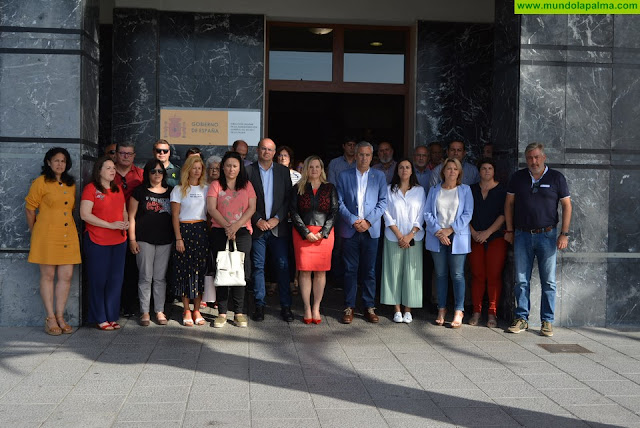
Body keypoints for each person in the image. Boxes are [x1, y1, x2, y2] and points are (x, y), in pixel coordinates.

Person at [505, 143, 572, 337]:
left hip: (548, 235)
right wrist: (509, 229)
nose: (533, 161)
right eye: (529, 158)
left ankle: (547, 321)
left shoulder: (556, 178)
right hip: (522, 234)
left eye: (536, 157)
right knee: (521, 280)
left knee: (549, 281)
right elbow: (509, 204)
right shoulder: (518, 177)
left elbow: (567, 206)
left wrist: (564, 234)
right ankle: (521, 318)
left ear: (544, 157)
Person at [25, 148, 81, 335]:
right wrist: (35, 231)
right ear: (48, 162)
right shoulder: (40, 182)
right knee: (48, 276)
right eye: (56, 160)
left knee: (65, 276)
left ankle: (60, 316)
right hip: (46, 235)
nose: (60, 164)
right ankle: (50, 318)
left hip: (68, 234)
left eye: (63, 161)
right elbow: (30, 209)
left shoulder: (70, 184)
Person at [336, 141, 387, 324]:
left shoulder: (379, 176)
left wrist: (368, 221)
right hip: (350, 229)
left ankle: (368, 306)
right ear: (355, 155)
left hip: (370, 230)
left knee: (370, 270)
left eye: (367, 155)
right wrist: (352, 220)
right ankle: (349, 306)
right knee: (350, 269)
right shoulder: (344, 176)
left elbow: (383, 202)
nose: (364, 158)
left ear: (372, 157)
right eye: (361, 154)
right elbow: (339, 202)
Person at [207, 151, 256, 328]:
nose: (231, 169)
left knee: (238, 272)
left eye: (235, 165)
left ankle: (239, 312)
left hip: (242, 232)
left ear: (239, 167)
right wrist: (228, 226)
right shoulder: (215, 185)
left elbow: (251, 208)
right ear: (223, 167)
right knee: (222, 270)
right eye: (228, 165)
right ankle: (221, 312)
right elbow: (212, 209)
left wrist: (235, 226)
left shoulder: (247, 185)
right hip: (220, 231)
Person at [246, 138, 293, 322]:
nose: (267, 152)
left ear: (274, 153)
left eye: (270, 149)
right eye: (263, 149)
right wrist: (257, 219)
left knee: (282, 267)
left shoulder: (282, 171)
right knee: (258, 267)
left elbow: (288, 199)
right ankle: (259, 305)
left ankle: (286, 306)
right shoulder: (248, 171)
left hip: (277, 228)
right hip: (257, 228)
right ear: (258, 151)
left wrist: (277, 218)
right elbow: (244, 199)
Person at [80, 156, 129, 331]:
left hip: (119, 240)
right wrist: (109, 225)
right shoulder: (91, 189)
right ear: (99, 171)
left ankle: (111, 316)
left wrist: (125, 222)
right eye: (108, 167)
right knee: (98, 280)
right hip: (97, 240)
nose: (112, 170)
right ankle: (100, 317)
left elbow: (123, 210)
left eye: (113, 168)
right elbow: (85, 214)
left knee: (115, 281)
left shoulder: (117, 189)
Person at [424, 158, 473, 328]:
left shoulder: (465, 190)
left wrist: (450, 230)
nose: (451, 171)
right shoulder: (434, 190)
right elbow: (427, 213)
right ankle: (442, 309)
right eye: (448, 168)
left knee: (458, 275)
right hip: (437, 236)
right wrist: (439, 231)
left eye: (455, 169)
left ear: (459, 172)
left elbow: (467, 214)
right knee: (440, 274)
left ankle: (459, 310)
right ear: (443, 171)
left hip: (457, 236)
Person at [290, 156, 338, 324]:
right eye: (311, 167)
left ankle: (316, 307)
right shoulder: (298, 188)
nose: (314, 170)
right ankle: (306, 307)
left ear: (322, 169)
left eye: (317, 167)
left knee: (320, 272)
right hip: (303, 234)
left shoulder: (329, 187)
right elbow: (294, 212)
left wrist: (323, 232)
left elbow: (334, 211)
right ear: (306, 169)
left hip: (323, 236)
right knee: (304, 271)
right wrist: (306, 233)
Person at [128, 160, 173, 326]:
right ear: (147, 173)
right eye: (153, 171)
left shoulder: (171, 192)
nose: (156, 175)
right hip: (144, 240)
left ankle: (159, 310)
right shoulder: (139, 192)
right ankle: (145, 311)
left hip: (165, 240)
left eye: (160, 171)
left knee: (160, 278)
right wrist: (132, 239)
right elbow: (131, 216)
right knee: (145, 277)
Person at [380, 159, 426, 324]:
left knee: (412, 274)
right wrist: (400, 235)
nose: (404, 170)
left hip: (414, 238)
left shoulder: (420, 191)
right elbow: (386, 214)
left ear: (412, 170)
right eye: (401, 167)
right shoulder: (388, 190)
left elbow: (422, 214)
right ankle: (397, 309)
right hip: (393, 237)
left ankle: (408, 309)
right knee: (393, 273)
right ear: (396, 170)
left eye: (407, 167)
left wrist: (410, 235)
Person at [468, 158, 507, 328]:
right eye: (483, 168)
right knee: (477, 275)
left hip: (495, 237)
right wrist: (474, 232)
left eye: (490, 168)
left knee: (494, 276)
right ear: (479, 171)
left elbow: (503, 215)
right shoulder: (471, 190)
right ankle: (476, 311)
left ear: (494, 171)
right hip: (474, 237)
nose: (486, 171)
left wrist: (488, 232)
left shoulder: (501, 190)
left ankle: (492, 313)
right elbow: (464, 212)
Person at [170, 156, 209, 327]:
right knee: (185, 271)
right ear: (187, 169)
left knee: (199, 271)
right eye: (194, 168)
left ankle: (197, 309)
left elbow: (209, 214)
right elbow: (175, 216)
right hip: (184, 231)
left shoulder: (206, 189)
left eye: (200, 168)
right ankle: (186, 309)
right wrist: (178, 238)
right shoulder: (178, 190)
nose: (197, 171)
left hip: (201, 231)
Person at [113, 141, 144, 317]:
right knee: (115, 270)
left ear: (134, 156)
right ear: (116, 154)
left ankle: (129, 305)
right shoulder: (108, 172)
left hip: (134, 227)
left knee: (132, 269)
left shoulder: (140, 175)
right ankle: (114, 305)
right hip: (111, 227)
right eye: (122, 153)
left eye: (129, 153)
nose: (125, 156)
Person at [277, 145, 302, 295]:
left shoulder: (297, 176)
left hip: (292, 220)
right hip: (276, 218)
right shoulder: (272, 173)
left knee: (292, 252)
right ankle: (274, 282)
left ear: (290, 159)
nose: (282, 158)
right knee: (279, 252)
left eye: (285, 156)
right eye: (280, 155)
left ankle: (293, 280)